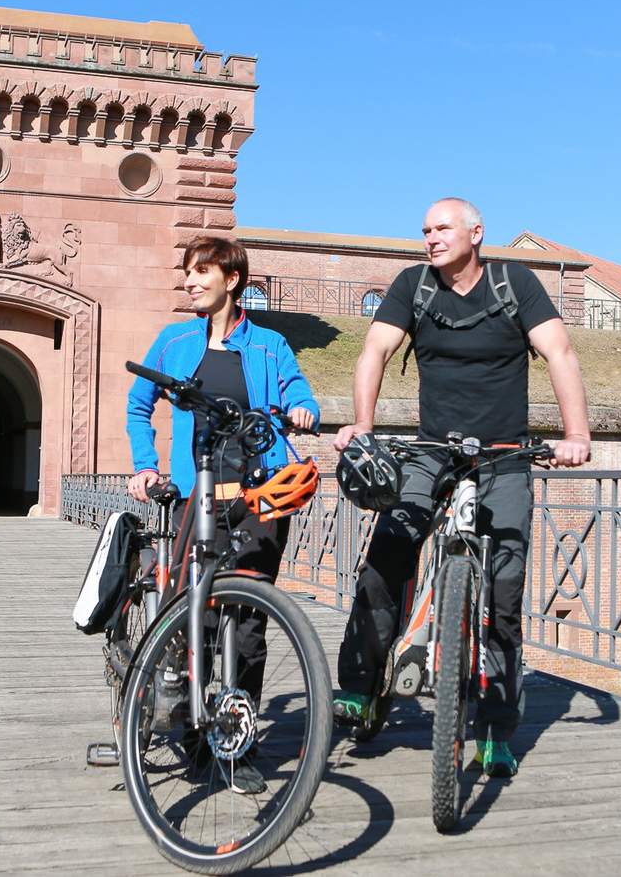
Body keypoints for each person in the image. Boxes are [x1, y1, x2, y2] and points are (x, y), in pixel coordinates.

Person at [332, 197, 592, 778]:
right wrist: (364, 427)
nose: (430, 237)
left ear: (476, 232)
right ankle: (361, 684)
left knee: (505, 582)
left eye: (441, 227)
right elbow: (374, 350)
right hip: (431, 449)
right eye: (424, 229)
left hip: (505, 454)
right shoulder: (413, 286)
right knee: (387, 553)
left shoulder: (515, 283)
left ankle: (496, 726)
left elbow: (560, 353)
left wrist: (576, 434)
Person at [124, 235, 321, 792]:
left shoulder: (269, 345)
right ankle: (190, 729)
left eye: (201, 272)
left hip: (259, 496)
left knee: (250, 621)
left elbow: (298, 391)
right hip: (197, 496)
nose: (189, 281)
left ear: (231, 281)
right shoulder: (175, 340)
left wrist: (304, 409)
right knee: (198, 619)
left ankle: (238, 744)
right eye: (187, 272)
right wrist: (145, 465)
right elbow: (140, 405)